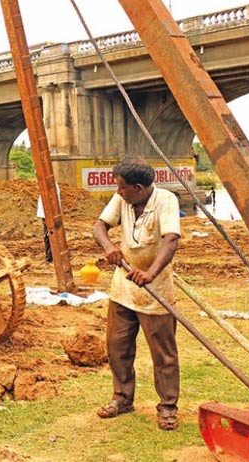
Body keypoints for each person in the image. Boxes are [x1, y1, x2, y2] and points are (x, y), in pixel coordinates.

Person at [92, 156, 182, 431]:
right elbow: (99, 227)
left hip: (155, 290)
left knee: (163, 354)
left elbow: (171, 240)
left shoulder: (166, 201)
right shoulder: (122, 200)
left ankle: (167, 406)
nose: (118, 191)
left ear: (139, 188)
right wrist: (109, 247)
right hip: (123, 288)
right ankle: (122, 398)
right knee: (118, 346)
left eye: (122, 187)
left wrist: (151, 273)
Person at [36, 183, 61, 263]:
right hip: (47, 214)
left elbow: (51, 201)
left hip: (48, 214)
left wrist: (49, 214)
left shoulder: (50, 185)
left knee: (50, 235)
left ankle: (49, 258)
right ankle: (51, 256)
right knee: (49, 235)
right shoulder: (49, 185)